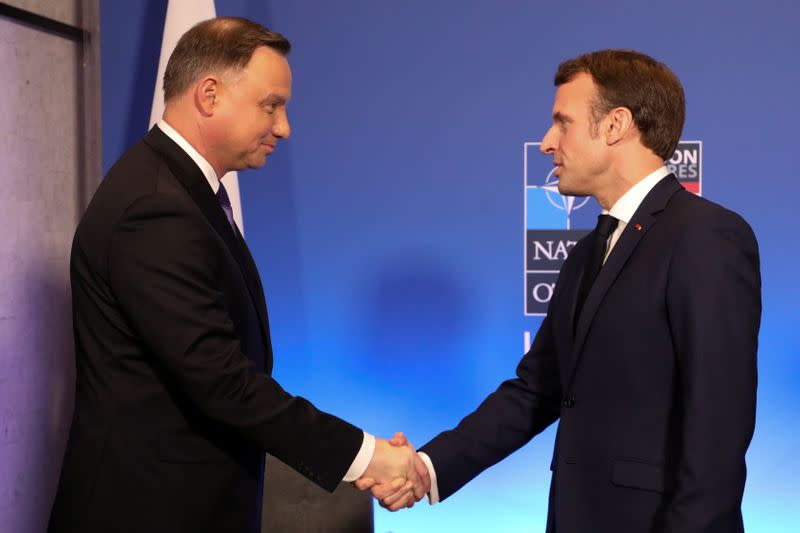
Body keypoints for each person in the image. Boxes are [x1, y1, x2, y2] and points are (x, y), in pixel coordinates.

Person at [48, 17, 427, 533]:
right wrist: (371, 458)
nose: (284, 126)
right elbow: (222, 381)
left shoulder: (182, 194)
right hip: (146, 511)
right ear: (209, 95)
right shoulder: (155, 207)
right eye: (270, 105)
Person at [363, 49, 761, 532]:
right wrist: (428, 467)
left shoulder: (705, 237)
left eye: (563, 123)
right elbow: (538, 390)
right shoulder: (589, 252)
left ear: (615, 125)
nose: (548, 142)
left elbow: (718, 425)